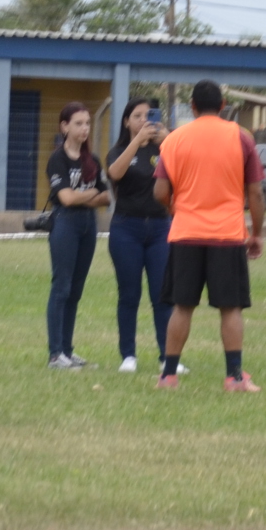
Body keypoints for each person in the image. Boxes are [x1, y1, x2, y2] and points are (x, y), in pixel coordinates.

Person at [151, 78, 265, 393]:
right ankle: (234, 378)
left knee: (182, 306)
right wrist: (256, 234)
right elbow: (255, 192)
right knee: (230, 308)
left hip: (186, 233)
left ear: (192, 106)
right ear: (224, 106)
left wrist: (177, 208)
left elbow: (160, 190)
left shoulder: (174, 140)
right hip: (227, 235)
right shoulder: (242, 139)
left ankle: (169, 376)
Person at [105, 98, 171, 372]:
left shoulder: (164, 148)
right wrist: (137, 141)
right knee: (129, 294)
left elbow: (187, 166)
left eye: (149, 115)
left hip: (159, 228)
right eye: (137, 116)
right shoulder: (119, 150)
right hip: (126, 228)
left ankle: (168, 356)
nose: (144, 120)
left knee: (162, 295)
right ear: (126, 121)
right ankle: (128, 356)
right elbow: (114, 173)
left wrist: (169, 139)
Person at [43, 101, 108, 369]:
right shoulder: (57, 159)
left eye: (87, 123)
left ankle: (68, 351)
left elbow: (106, 195)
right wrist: (89, 194)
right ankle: (55, 353)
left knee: (76, 290)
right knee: (62, 287)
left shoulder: (92, 160)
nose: (84, 129)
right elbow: (66, 199)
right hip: (65, 224)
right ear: (65, 126)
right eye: (78, 123)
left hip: (87, 225)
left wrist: (86, 196)